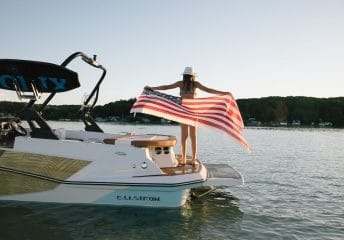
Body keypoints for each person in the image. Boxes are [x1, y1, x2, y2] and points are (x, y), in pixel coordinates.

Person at [145, 67, 229, 167]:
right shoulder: (195, 84)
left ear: (184, 75)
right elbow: (208, 90)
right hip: (192, 111)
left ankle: (184, 159)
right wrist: (223, 93)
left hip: (184, 111)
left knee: (184, 136)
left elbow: (166, 87)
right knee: (193, 137)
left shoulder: (181, 83)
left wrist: (152, 88)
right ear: (192, 75)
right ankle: (192, 159)